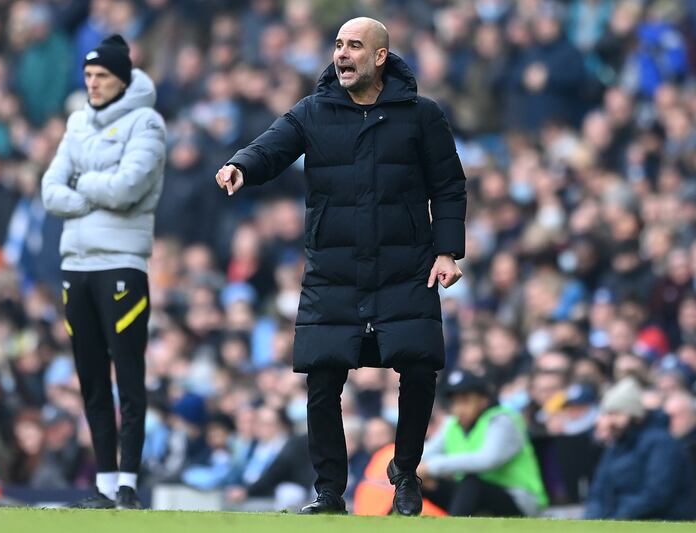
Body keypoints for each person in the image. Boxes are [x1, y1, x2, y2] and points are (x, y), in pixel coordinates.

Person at [215, 17, 466, 515]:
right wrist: (242, 164)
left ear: (379, 57)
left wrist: (447, 251)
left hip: (405, 266)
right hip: (334, 269)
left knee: (419, 367)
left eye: (354, 46)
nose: (342, 54)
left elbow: (450, 186)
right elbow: (273, 144)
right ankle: (329, 492)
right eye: (337, 45)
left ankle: (406, 473)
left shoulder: (422, 115)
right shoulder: (313, 111)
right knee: (322, 378)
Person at [41, 34, 166, 510]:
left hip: (121, 264)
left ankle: (130, 482)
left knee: (128, 376)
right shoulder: (77, 122)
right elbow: (50, 190)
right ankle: (105, 484)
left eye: (102, 77)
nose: (92, 84)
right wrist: (95, 189)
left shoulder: (147, 122)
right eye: (89, 76)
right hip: (76, 263)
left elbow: (128, 187)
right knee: (91, 378)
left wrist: (83, 185)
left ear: (122, 79)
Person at [420, 370, 548, 517]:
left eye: (466, 400)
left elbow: (487, 460)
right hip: (473, 495)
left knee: (471, 482)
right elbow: (425, 453)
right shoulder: (452, 425)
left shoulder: (502, 420)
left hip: (519, 499)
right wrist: (414, 470)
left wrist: (431, 467)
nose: (459, 408)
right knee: (418, 482)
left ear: (483, 400)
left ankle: (452, 528)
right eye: (455, 402)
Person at [584, 377, 696, 520]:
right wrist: (594, 519)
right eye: (608, 414)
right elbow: (599, 492)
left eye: (616, 414)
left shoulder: (662, 443)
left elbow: (657, 495)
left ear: (634, 414)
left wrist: (616, 518)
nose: (609, 421)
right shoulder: (616, 446)